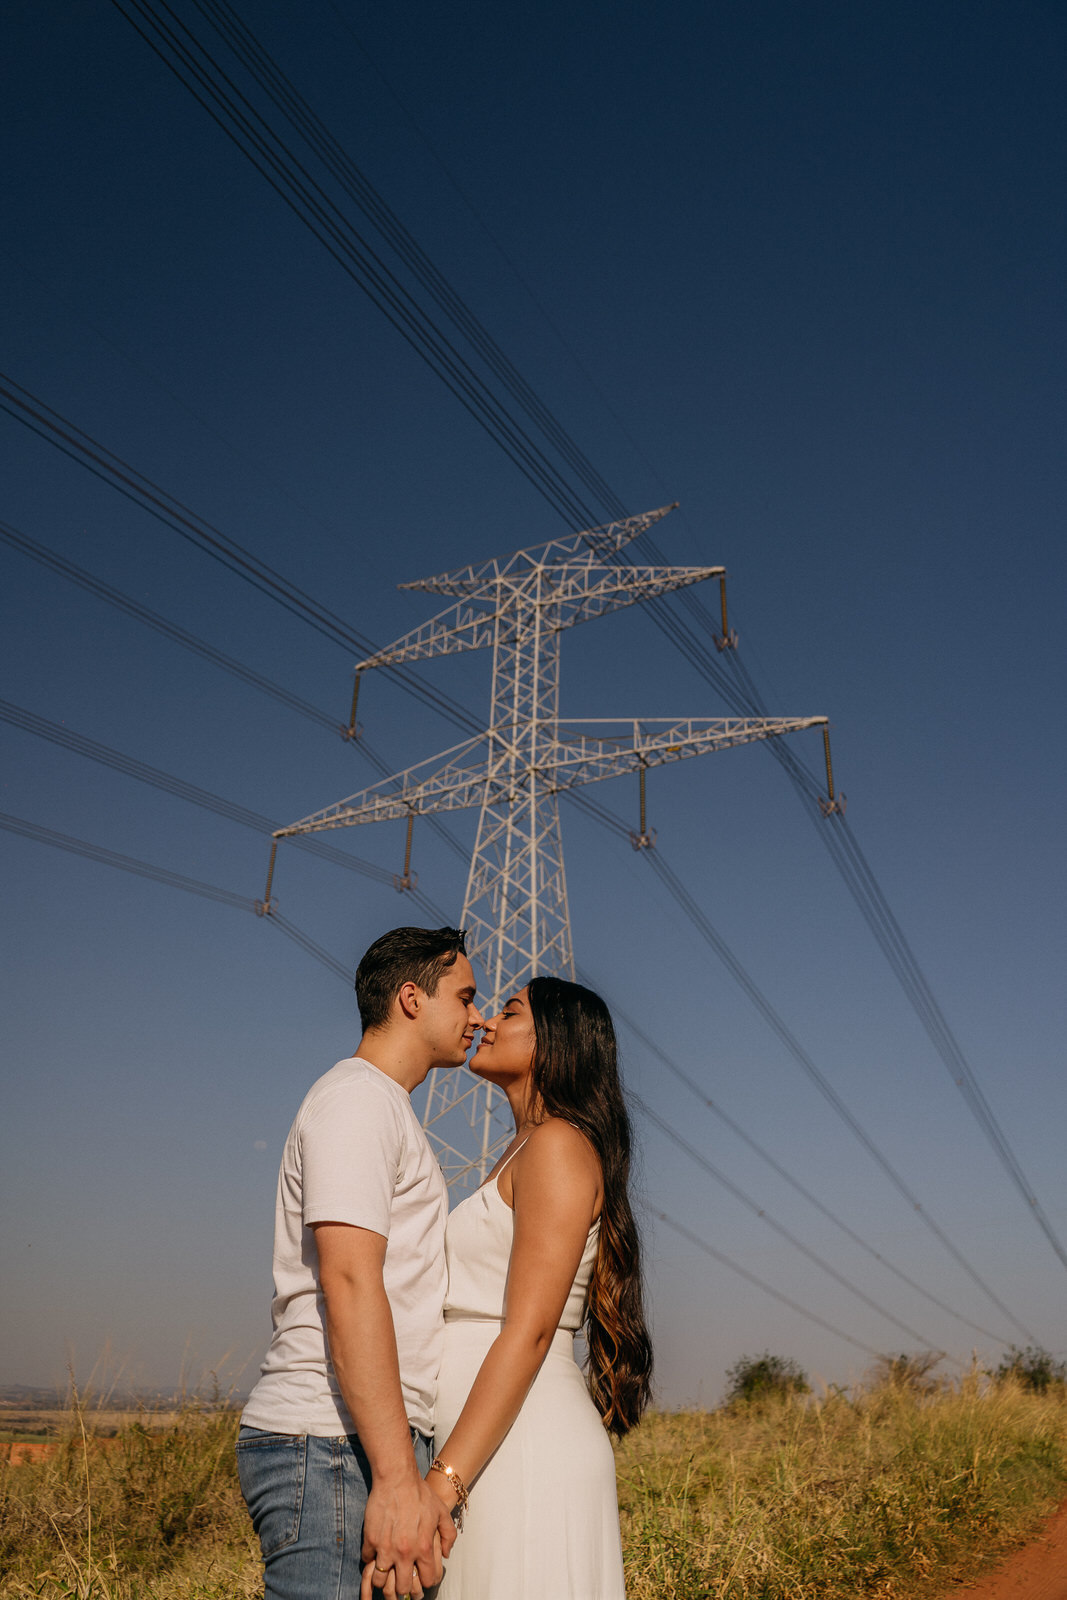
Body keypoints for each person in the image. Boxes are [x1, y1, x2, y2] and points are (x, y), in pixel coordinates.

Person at [237, 925, 484, 1600]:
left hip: (355, 1442)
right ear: (411, 997)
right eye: (464, 997)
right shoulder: (356, 1100)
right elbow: (349, 1282)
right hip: (333, 1443)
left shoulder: (383, 1108)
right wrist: (398, 1477)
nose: (478, 1016)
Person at [421, 975, 653, 1600]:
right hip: (490, 1438)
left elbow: (530, 1331)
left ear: (553, 1044)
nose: (487, 1022)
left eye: (509, 1010)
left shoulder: (556, 1146)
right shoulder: (522, 1148)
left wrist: (445, 1481)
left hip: (518, 1444)